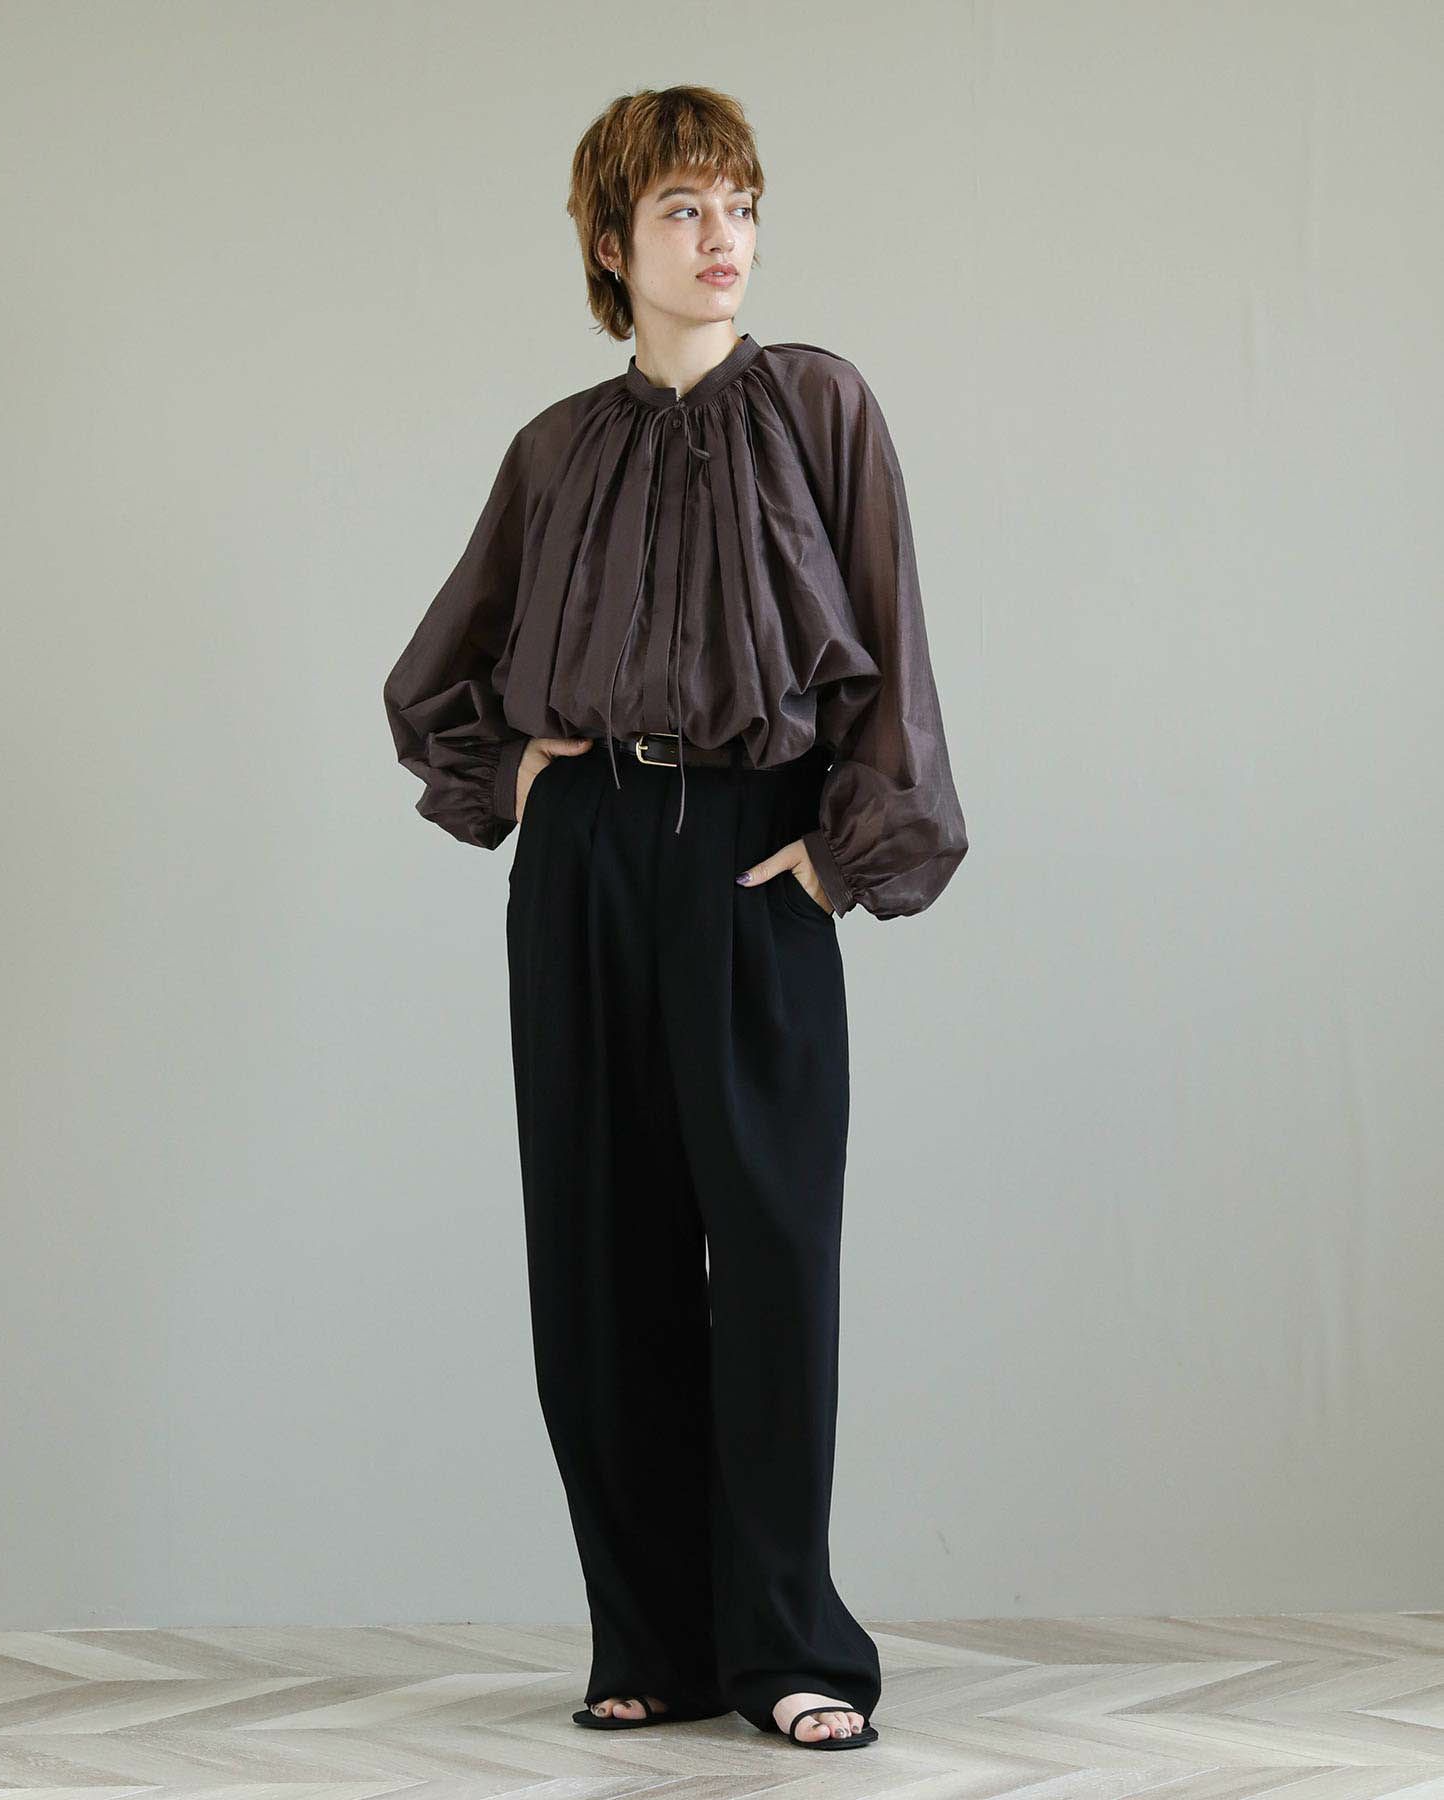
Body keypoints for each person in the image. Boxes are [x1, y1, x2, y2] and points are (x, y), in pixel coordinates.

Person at [382, 85, 968, 1753]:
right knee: (598, 1251)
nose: (724, 240)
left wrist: (845, 855)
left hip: (756, 851)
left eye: (740, 206)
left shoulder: (820, 405)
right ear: (610, 241)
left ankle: (788, 1645)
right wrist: (522, 781)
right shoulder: (556, 449)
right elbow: (440, 672)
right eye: (684, 211)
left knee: (771, 1258)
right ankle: (643, 1635)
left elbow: (895, 651)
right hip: (588, 856)